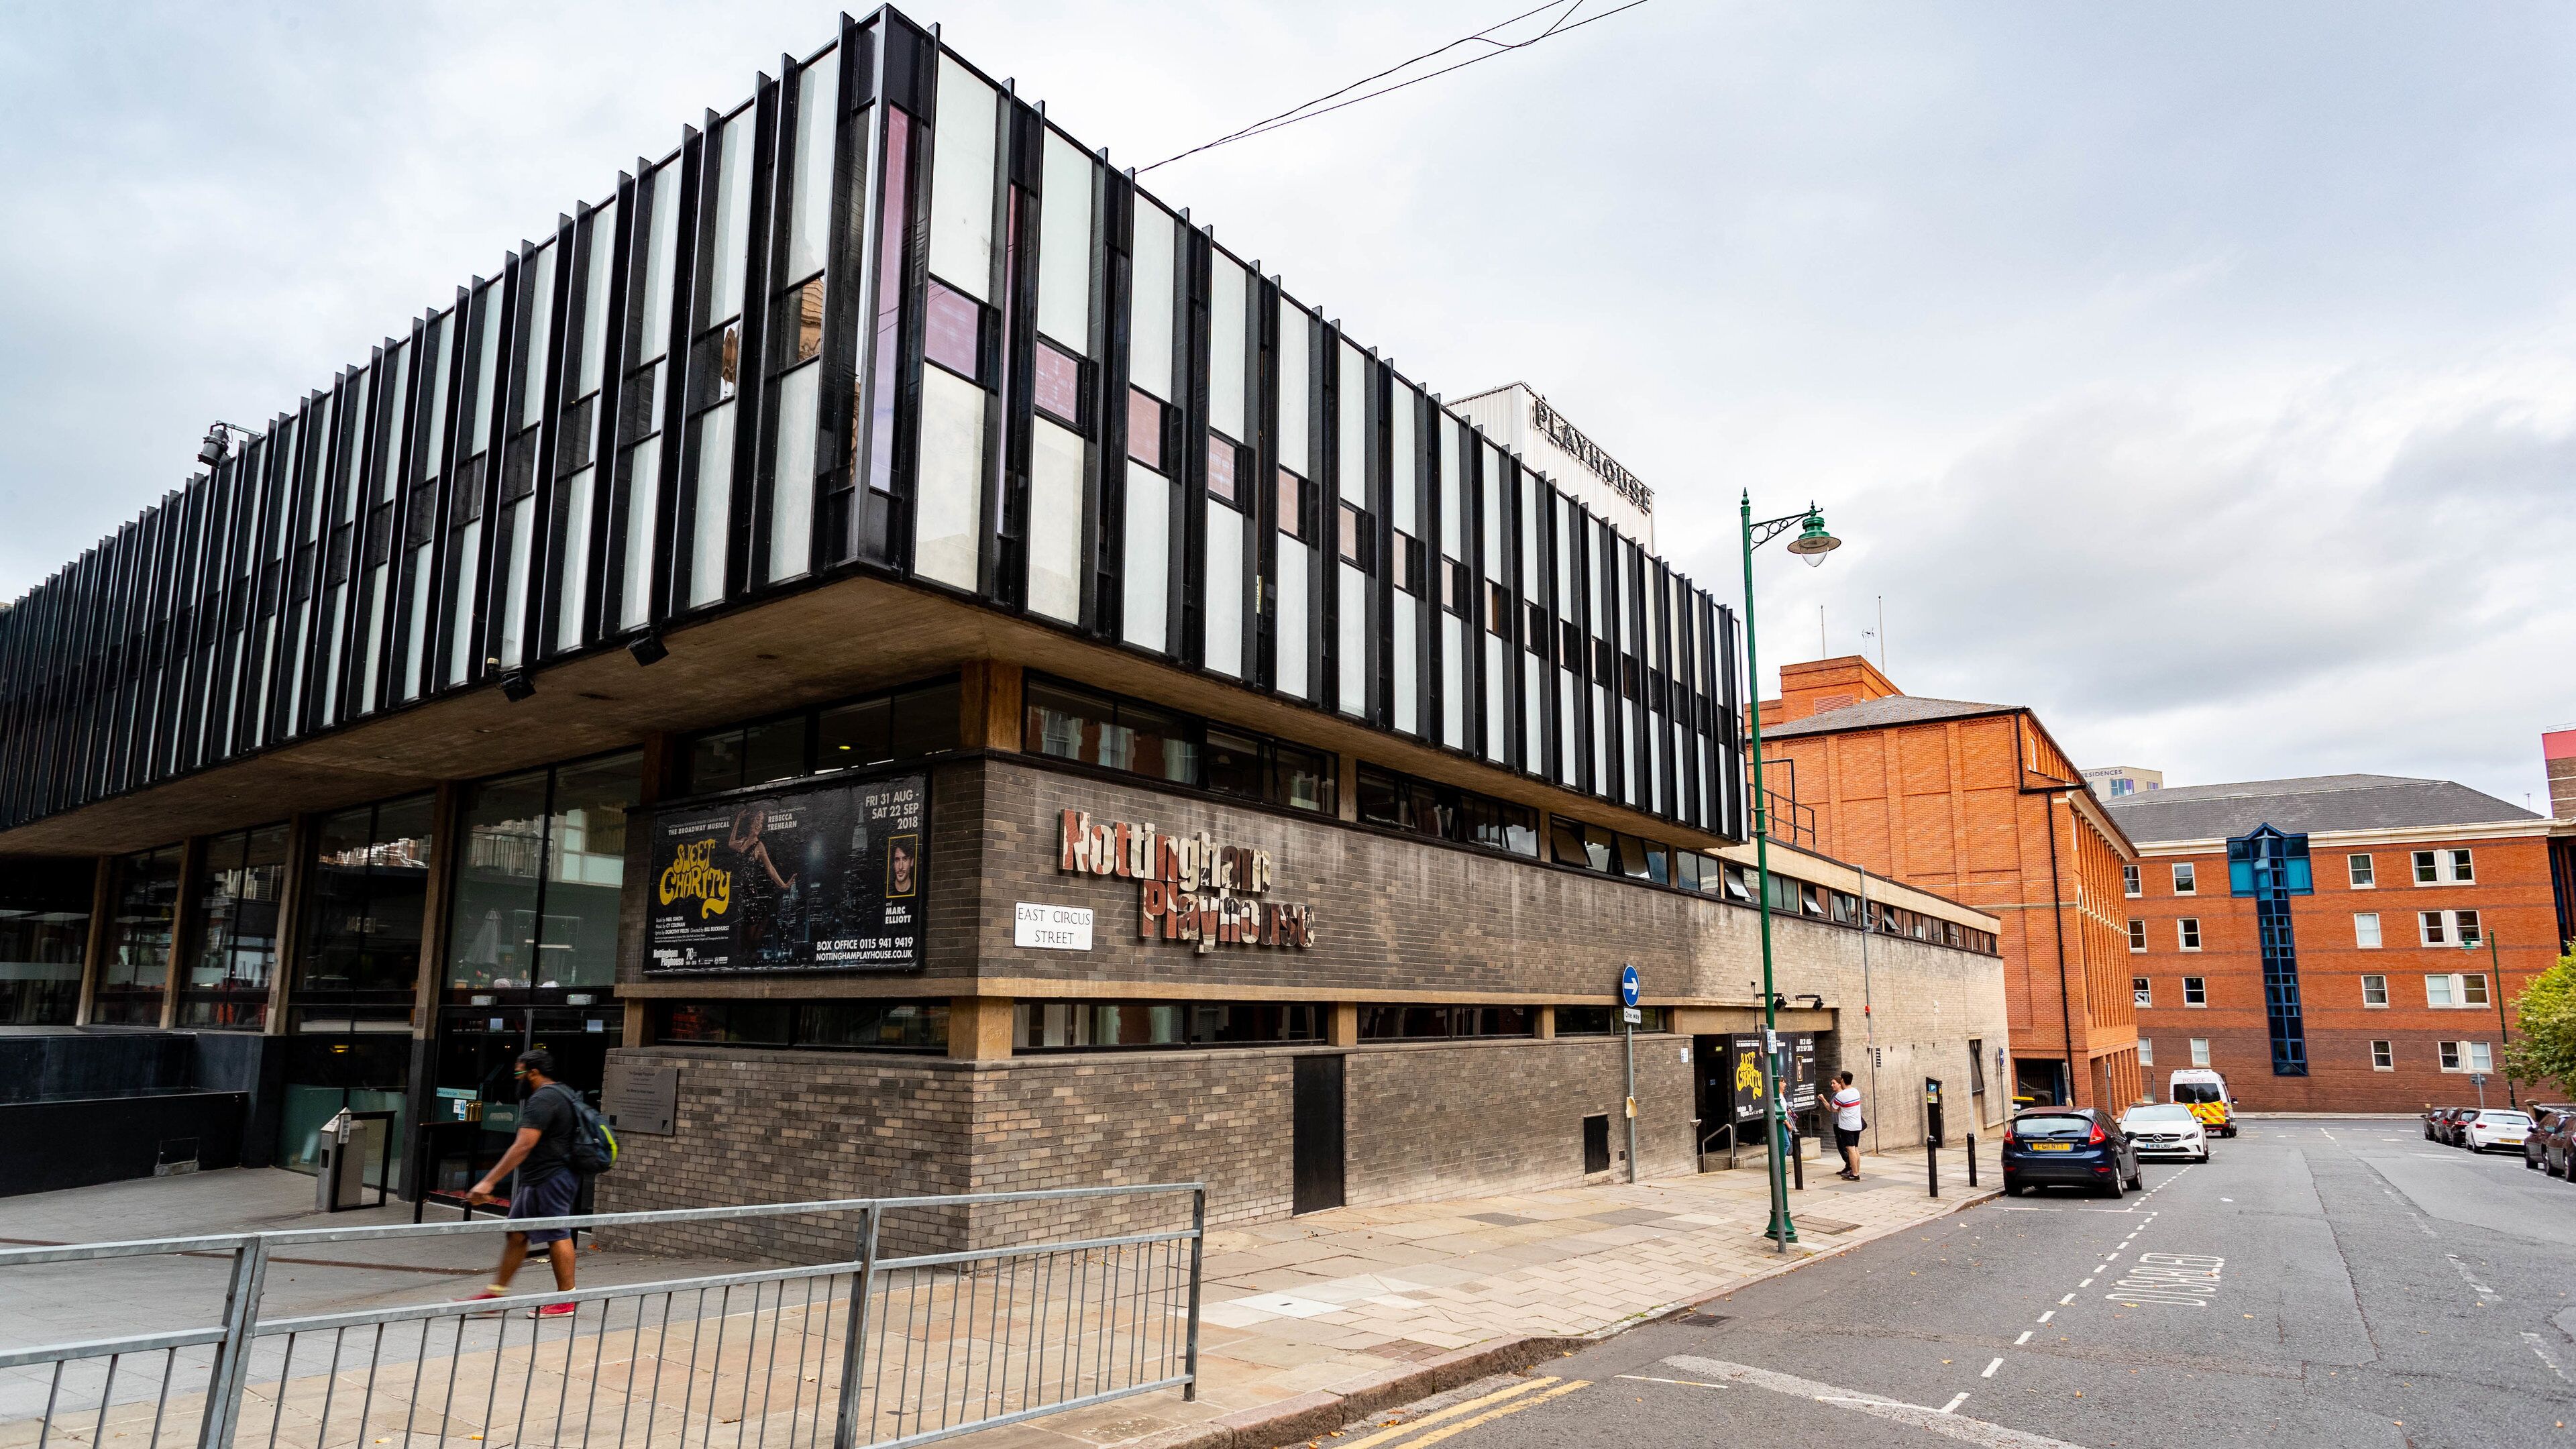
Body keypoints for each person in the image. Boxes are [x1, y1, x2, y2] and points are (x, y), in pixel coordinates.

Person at [460, 1049, 582, 1318]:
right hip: (542, 1176)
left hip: (551, 1177)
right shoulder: (563, 1092)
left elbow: (523, 1145)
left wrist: (488, 1182)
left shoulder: (544, 1099)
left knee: (556, 1233)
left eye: (519, 1073)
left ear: (533, 1073)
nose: (516, 1078)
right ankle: (495, 1294)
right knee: (517, 1233)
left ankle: (566, 1300)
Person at [1829, 1070, 1866, 1181]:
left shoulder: (1841, 1095)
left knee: (1850, 1149)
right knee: (1856, 1149)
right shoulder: (1856, 1091)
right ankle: (1856, 1171)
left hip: (1847, 1126)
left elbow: (1834, 1109)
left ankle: (1855, 1174)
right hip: (1857, 1125)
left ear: (1843, 1081)